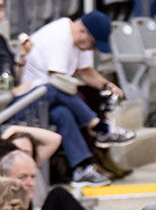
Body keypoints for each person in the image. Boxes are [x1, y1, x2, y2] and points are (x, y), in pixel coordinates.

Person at [17, 12, 134, 186]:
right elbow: (60, 83)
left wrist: (107, 86)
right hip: (27, 101)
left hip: (48, 102)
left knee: (63, 113)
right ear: (82, 32)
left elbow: (85, 71)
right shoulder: (59, 38)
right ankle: (101, 128)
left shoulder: (77, 41)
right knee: (61, 90)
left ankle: (82, 168)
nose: (92, 50)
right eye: (93, 45)